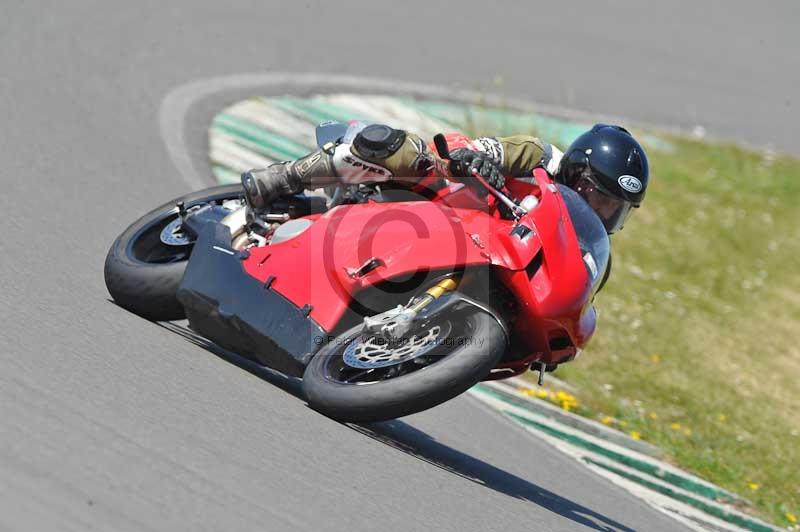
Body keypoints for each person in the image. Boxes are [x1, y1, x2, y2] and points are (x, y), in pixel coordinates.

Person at [241, 122, 649, 235]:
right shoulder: (540, 157)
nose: (598, 211)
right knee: (415, 155)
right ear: (576, 171)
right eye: (596, 196)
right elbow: (478, 147)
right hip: (439, 200)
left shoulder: (576, 237)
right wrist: (477, 160)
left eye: (613, 209)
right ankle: (282, 179)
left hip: (472, 247)